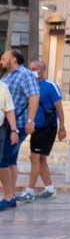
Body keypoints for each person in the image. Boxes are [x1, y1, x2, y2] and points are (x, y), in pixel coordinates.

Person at [17, 61, 65, 202]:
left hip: (46, 127)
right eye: (29, 68)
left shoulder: (50, 86)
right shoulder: (29, 85)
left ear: (42, 71)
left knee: (34, 157)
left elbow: (59, 108)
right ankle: (49, 189)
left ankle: (30, 191)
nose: (31, 70)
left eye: (34, 69)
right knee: (41, 158)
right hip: (35, 126)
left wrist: (62, 127)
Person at [0, 50, 39, 211]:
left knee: (3, 159)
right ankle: (11, 195)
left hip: (19, 124)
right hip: (7, 125)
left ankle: (8, 195)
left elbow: (34, 96)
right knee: (10, 160)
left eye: (3, 58)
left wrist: (30, 121)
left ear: (13, 60)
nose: (1, 61)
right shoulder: (7, 76)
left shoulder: (25, 74)